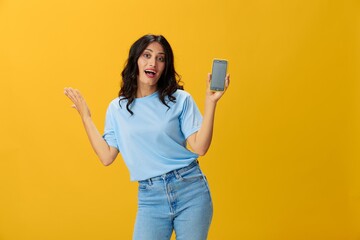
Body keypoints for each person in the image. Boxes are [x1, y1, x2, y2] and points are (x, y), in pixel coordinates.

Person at [64, 34, 230, 240]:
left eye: (161, 58)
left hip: (190, 190)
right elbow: (106, 156)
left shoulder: (180, 99)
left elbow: (200, 148)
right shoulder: (117, 108)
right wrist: (86, 117)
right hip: (151, 197)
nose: (153, 63)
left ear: (165, 66)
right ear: (136, 60)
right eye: (147, 55)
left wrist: (211, 102)